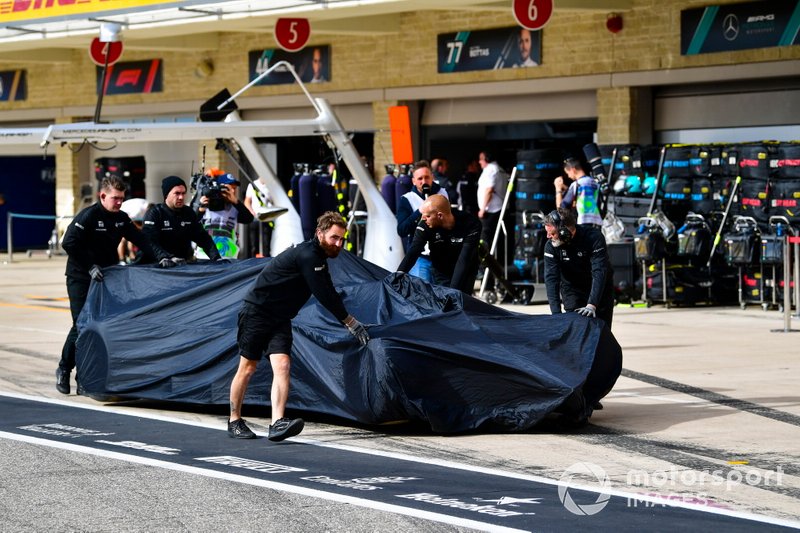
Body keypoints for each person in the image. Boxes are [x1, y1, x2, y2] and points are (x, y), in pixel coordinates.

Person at [227, 211, 369, 441]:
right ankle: (234, 420)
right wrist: (350, 322)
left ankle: (277, 423)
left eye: (342, 239)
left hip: (280, 317)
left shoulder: (319, 257)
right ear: (319, 233)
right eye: (334, 238)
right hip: (257, 312)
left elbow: (329, 289)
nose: (339, 244)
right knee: (248, 367)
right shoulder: (308, 255)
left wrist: (349, 319)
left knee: (282, 365)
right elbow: (324, 294)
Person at [56, 176, 162, 395]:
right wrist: (89, 266)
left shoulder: (122, 219)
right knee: (82, 325)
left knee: (103, 325)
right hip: (81, 277)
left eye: (122, 198)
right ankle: (65, 368)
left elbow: (143, 241)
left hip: (107, 277)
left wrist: (164, 257)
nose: (119, 202)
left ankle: (86, 376)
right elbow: (68, 242)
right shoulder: (89, 216)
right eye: (115, 198)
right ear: (102, 196)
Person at [543, 208, 614, 328]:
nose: (548, 236)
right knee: (575, 332)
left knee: (601, 332)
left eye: (553, 233)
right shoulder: (551, 246)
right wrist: (556, 314)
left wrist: (592, 305)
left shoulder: (593, 237)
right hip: (572, 290)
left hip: (599, 287)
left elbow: (599, 271)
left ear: (565, 232)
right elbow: (551, 279)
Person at [397, 194, 482, 294]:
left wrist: (453, 292)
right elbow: (413, 251)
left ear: (440, 215)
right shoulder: (425, 223)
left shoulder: (471, 223)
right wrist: (399, 274)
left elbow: (464, 259)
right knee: (445, 303)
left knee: (462, 301)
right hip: (441, 268)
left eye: (428, 216)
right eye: (423, 215)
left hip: (465, 268)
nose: (423, 219)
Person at [142, 175, 222, 264]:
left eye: (183, 193)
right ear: (166, 195)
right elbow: (149, 240)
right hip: (158, 266)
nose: (181, 197)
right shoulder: (155, 213)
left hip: (182, 266)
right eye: (177, 193)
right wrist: (163, 257)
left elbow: (203, 238)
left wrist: (216, 258)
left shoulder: (188, 213)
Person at [396, 160, 449, 282]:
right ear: (413, 181)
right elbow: (401, 230)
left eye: (427, 177)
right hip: (420, 257)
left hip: (442, 255)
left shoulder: (442, 193)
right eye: (420, 178)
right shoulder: (407, 199)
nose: (424, 182)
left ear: (432, 177)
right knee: (422, 295)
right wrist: (419, 212)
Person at [195, 170, 254, 259]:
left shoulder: (235, 207)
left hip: (229, 257)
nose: (232, 191)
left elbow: (248, 219)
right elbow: (192, 223)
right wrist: (200, 209)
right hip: (204, 257)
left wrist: (236, 202)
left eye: (234, 188)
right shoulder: (206, 204)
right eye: (228, 188)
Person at [477, 151, 508, 289]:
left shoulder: (491, 169)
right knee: (494, 245)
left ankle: (487, 280)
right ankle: (493, 279)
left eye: (481, 159)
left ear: (487, 159)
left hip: (490, 212)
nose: (479, 162)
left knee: (485, 245)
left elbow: (489, 189)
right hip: (497, 211)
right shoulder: (500, 169)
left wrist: (483, 208)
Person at [555, 157, 602, 228]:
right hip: (596, 223)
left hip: (582, 223)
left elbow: (563, 207)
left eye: (568, 173)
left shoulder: (577, 184)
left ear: (573, 170)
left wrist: (558, 189)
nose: (568, 176)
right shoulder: (594, 182)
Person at [243, 177, 274, 258]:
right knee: (254, 244)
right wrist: (251, 212)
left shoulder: (270, 185)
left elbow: (274, 201)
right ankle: (254, 262)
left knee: (266, 244)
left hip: (267, 218)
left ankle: (266, 262)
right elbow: (247, 201)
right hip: (255, 218)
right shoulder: (252, 185)